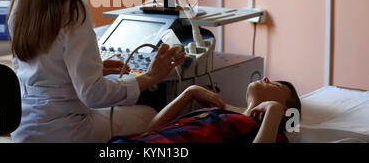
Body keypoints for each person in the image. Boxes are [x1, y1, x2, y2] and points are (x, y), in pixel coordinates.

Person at [7, 0, 186, 143]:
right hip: (67, 131)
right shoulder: (72, 9)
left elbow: (40, 69)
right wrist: (150, 77)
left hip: (25, 130)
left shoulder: (20, 0)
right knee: (151, 114)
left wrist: (91, 70)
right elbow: (93, 95)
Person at [110, 76, 302, 143]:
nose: (267, 78)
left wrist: (274, 111)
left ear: (285, 110)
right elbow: (151, 131)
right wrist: (189, 93)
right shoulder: (222, 113)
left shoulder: (268, 133)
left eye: (275, 85)